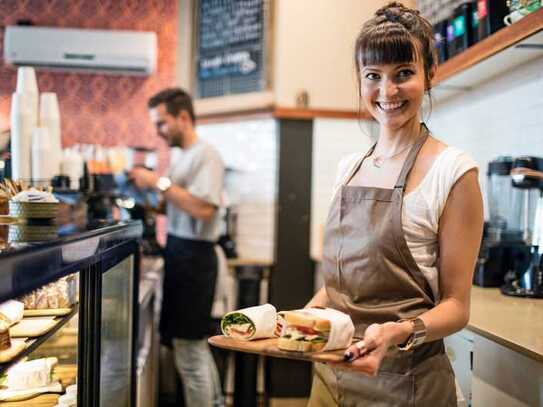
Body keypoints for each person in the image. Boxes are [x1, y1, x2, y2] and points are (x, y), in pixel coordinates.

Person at [306, 3, 483, 406]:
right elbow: (342, 286)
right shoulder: (349, 168)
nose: (386, 92)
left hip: (404, 384)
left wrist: (399, 332)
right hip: (330, 374)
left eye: (403, 73)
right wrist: (301, 319)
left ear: (430, 74)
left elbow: (457, 307)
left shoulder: (453, 172)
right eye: (373, 76)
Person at [130, 88, 224, 407]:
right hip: (180, 255)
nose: (158, 131)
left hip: (195, 261)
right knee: (194, 348)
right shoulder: (183, 156)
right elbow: (174, 205)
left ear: (183, 117)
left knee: (190, 352)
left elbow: (204, 208)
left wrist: (157, 182)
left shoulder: (205, 154)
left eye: (162, 123)